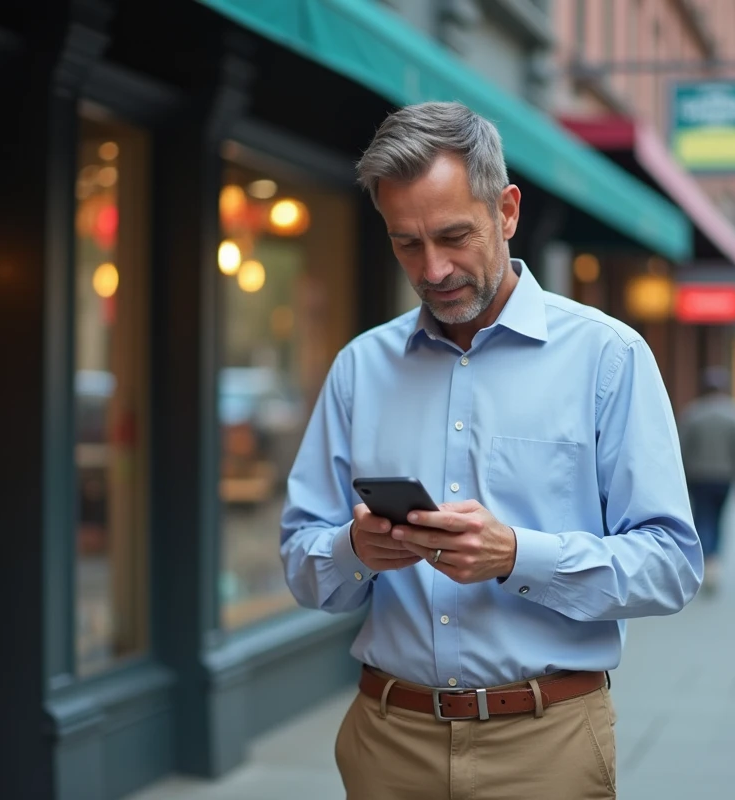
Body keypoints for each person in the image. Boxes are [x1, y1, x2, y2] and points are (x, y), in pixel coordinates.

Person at [279, 101, 702, 800]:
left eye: (453, 236)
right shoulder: (360, 368)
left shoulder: (609, 357)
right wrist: (357, 552)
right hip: (387, 742)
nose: (434, 267)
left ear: (506, 211)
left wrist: (517, 556)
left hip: (547, 744)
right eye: (406, 243)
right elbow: (301, 561)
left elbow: (671, 567)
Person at [678, 366, 735, 593]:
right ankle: (714, 560)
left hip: (698, 476)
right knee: (719, 519)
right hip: (724, 476)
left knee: (702, 518)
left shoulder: (692, 413)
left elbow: (681, 448)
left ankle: (704, 560)